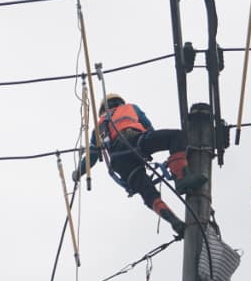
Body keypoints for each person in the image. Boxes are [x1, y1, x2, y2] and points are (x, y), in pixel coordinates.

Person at [72, 93, 207, 237]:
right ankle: (181, 178)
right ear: (119, 103)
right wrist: (154, 146)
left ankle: (175, 222)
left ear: (102, 111)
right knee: (176, 137)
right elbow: (148, 127)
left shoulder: (98, 129)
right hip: (134, 141)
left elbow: (92, 156)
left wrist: (78, 172)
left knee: (147, 192)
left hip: (119, 162)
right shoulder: (130, 108)